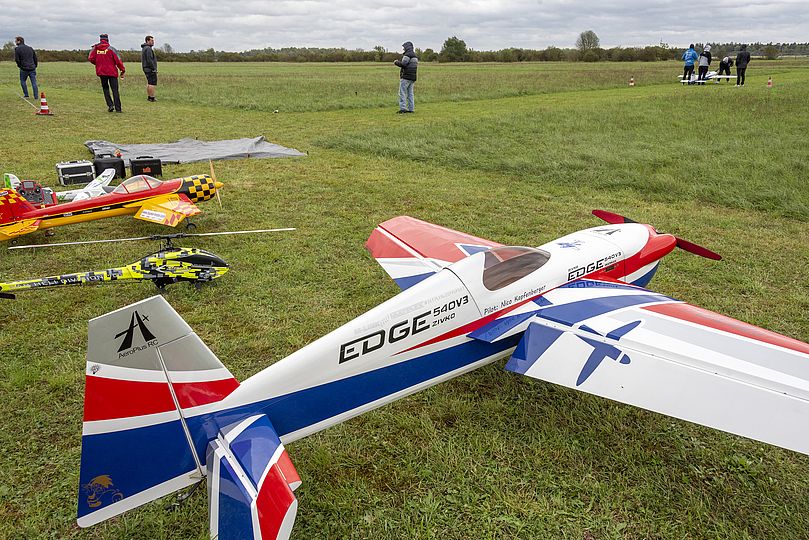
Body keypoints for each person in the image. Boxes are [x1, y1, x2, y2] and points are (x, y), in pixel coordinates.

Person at [88, 34, 126, 112]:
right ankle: (118, 108)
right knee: (115, 90)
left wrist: (98, 64)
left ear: (100, 39)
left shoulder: (95, 48)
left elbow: (90, 58)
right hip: (112, 72)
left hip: (101, 72)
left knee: (105, 89)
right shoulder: (111, 49)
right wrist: (122, 70)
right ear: (107, 39)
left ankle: (110, 105)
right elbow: (118, 61)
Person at [394, 41, 418, 113]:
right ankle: (411, 109)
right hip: (412, 78)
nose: (403, 49)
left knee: (402, 93)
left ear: (407, 47)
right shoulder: (415, 56)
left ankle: (403, 108)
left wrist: (396, 62)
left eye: (404, 47)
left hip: (405, 77)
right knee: (410, 93)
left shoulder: (407, 55)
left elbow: (404, 64)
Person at [141, 35, 158, 102]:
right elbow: (149, 60)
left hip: (146, 68)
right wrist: (154, 68)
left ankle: (149, 96)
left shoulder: (144, 48)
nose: (153, 42)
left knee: (149, 83)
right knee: (152, 83)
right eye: (151, 40)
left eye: (153, 40)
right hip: (150, 69)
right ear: (147, 41)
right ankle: (152, 97)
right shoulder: (148, 49)